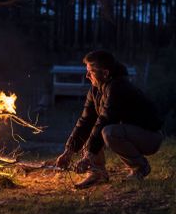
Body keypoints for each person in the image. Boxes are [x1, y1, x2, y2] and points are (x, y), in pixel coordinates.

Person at [55, 50, 163, 189]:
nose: (87, 75)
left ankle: (140, 167)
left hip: (150, 137)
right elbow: (85, 122)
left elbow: (105, 120)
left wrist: (88, 156)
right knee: (94, 128)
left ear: (105, 73)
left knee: (108, 131)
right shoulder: (95, 90)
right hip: (131, 133)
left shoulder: (118, 88)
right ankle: (97, 173)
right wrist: (68, 151)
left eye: (91, 72)